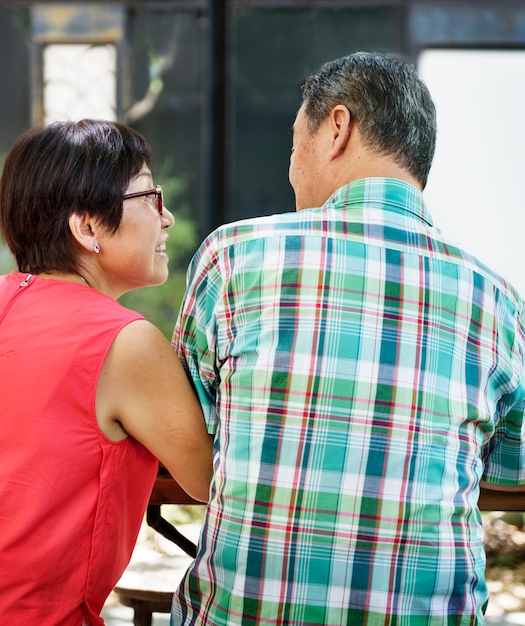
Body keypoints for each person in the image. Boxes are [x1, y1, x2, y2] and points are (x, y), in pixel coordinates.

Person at [171, 51, 525, 625]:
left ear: (337, 128)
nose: (291, 168)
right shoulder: (497, 300)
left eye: (294, 144)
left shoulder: (233, 256)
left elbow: (192, 424)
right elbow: (509, 468)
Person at [0, 119, 213, 626]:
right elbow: (212, 480)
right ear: (87, 227)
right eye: (149, 197)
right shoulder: (124, 341)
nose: (168, 218)